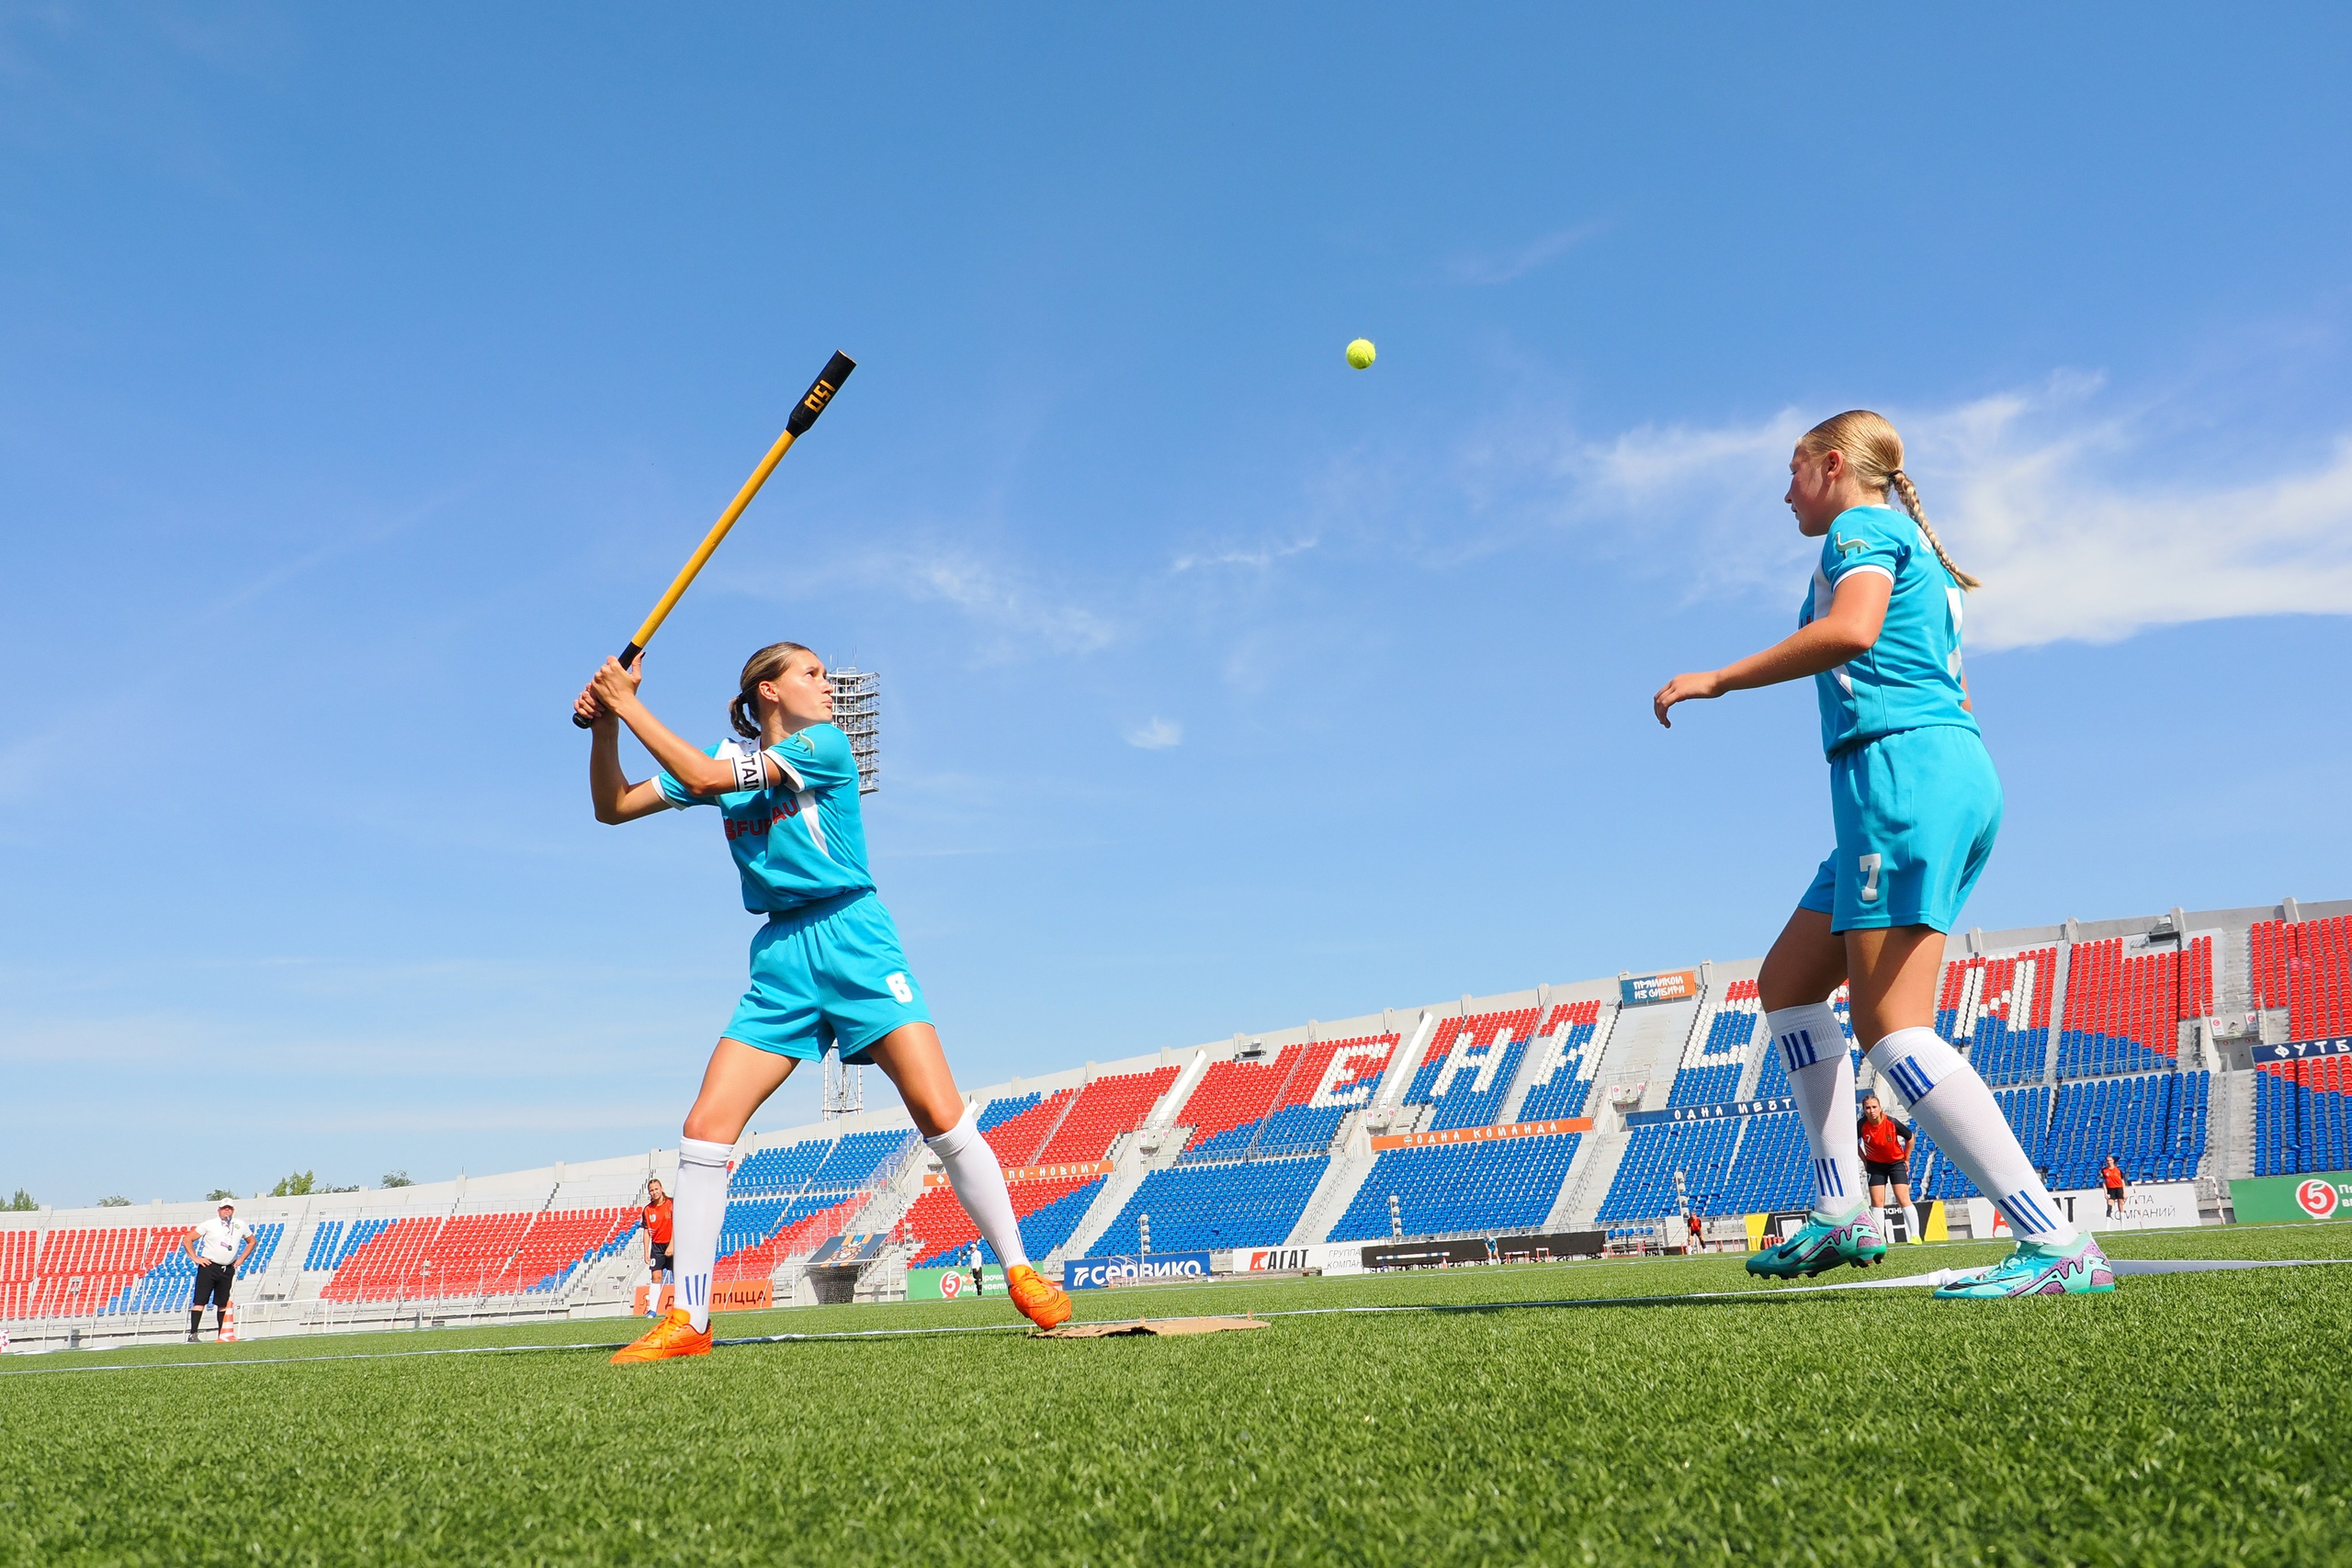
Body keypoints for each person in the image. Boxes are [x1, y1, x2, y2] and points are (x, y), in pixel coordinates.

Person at [1655, 411, 2113, 1299]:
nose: (1784, 491)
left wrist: (1716, 677)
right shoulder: (1921, 553)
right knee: (1788, 982)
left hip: (1900, 778)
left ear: (1834, 467)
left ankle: (2053, 1238)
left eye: (1793, 471)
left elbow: (1854, 631)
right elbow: (1937, 671)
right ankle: (1843, 1210)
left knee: (1892, 1028)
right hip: (1928, 775)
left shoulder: (1862, 528)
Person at [579, 641, 1074, 1362]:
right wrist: (605, 728)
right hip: (781, 955)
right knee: (704, 1127)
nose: (829, 686)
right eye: (812, 673)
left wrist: (627, 702)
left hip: (856, 938)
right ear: (768, 690)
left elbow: (704, 774)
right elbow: (612, 806)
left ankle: (1020, 1269)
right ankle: (689, 1318)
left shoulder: (825, 746)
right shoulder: (729, 752)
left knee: (938, 1109)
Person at [184, 1201, 254, 1342]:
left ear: (233, 1210)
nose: (226, 1211)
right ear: (219, 1210)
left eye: (229, 1209)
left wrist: (241, 1259)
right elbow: (188, 1239)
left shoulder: (239, 1225)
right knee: (200, 1300)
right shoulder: (209, 1224)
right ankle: (193, 1334)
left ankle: (222, 1334)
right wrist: (195, 1258)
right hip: (209, 1266)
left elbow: (251, 1241)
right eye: (224, 1209)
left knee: (222, 1302)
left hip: (227, 1268)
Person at [1856, 1092, 1917, 1239]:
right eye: (1868, 1108)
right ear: (1864, 1110)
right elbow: (1854, 1143)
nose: (1871, 1110)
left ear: (1880, 1107)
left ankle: (1915, 1235)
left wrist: (1906, 1159)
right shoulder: (1861, 1125)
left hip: (1896, 1163)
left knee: (1903, 1198)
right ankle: (1879, 1238)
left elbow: (1910, 1138)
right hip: (1875, 1166)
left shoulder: (1892, 1122)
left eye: (1874, 1107)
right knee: (1877, 1202)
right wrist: (1865, 1160)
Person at [638, 1178, 675, 1314]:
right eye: (651, 1190)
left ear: (661, 1188)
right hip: (657, 1247)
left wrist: (672, 1245)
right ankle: (652, 1310)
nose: (654, 1192)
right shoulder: (647, 1210)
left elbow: (677, 1225)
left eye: (656, 1189)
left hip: (672, 1243)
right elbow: (647, 1231)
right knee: (656, 1277)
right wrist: (646, 1252)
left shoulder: (671, 1203)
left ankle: (681, 1307)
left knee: (678, 1275)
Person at [2101, 1155, 2128, 1219]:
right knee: (2109, 1207)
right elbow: (2104, 1182)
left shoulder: (2118, 1170)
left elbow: (2122, 1181)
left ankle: (2123, 1227)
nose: (2109, 1162)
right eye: (2107, 1161)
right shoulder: (2104, 1170)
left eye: (2110, 1160)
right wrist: (2105, 1193)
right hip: (2110, 1189)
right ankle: (2108, 1227)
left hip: (2119, 1188)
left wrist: (2125, 1192)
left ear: (2113, 1161)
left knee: (2120, 1206)